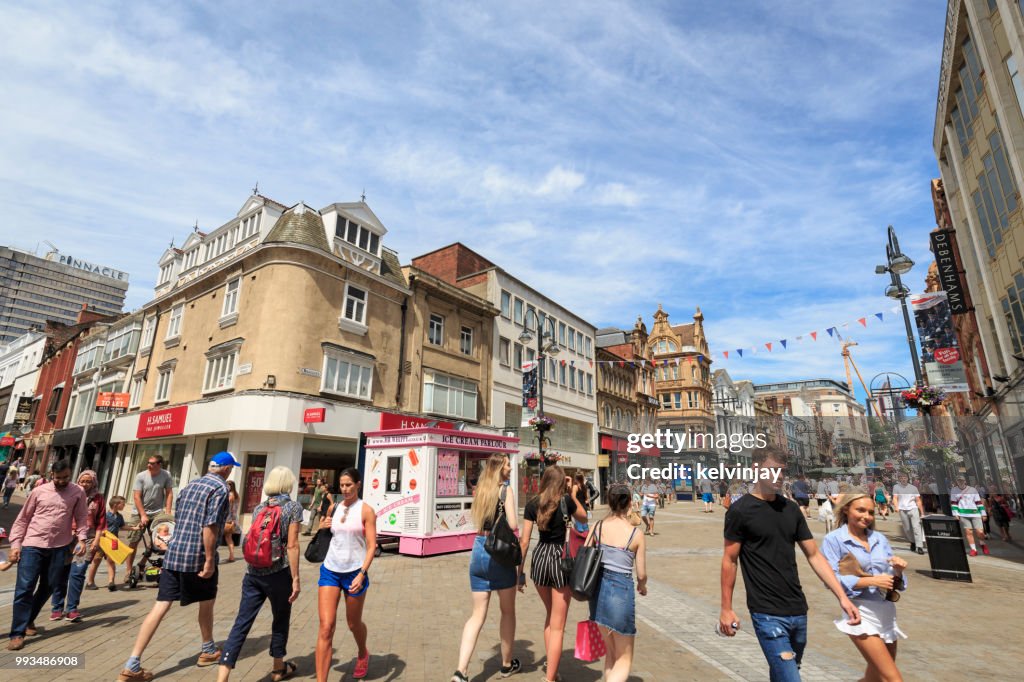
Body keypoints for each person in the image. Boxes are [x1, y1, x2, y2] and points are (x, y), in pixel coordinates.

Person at [719, 446, 860, 682]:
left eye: (782, 471)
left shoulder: (791, 509)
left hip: (797, 610)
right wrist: (726, 608)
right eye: (773, 470)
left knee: (784, 673)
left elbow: (814, 555)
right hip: (766, 612)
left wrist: (842, 597)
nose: (780, 476)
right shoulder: (740, 511)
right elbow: (729, 560)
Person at [118, 451, 238, 681]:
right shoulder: (220, 488)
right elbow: (210, 526)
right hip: (197, 555)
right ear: (226, 469)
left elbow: (179, 518)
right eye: (231, 468)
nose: (230, 472)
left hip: (174, 553)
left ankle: (132, 662)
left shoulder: (191, 485)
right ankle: (207, 649)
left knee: (161, 605)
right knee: (207, 601)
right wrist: (211, 559)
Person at [217, 466, 303, 682]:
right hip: (279, 573)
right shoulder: (293, 508)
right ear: (287, 484)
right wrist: (296, 578)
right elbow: (292, 546)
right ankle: (277, 669)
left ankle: (222, 676)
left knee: (242, 622)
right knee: (280, 619)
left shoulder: (259, 508)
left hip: (253, 573)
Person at [822, 492, 908, 682]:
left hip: (885, 611)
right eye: (860, 510)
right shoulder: (834, 539)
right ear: (846, 509)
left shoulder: (879, 538)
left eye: (870, 512)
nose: (866, 516)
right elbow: (830, 580)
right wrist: (871, 581)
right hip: (859, 611)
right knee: (893, 679)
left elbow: (893, 580)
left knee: (875, 677)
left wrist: (898, 571)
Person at [450, 454, 521, 682]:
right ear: (500, 468)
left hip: (479, 550)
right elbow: (513, 524)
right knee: (507, 611)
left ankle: (461, 671)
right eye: (508, 465)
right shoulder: (505, 490)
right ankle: (507, 664)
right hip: (499, 553)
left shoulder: (480, 490)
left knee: (476, 615)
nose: (510, 468)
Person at [6, 459, 88, 651]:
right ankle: (17, 633)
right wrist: (15, 545)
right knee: (24, 588)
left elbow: (82, 517)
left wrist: (82, 539)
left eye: (66, 477)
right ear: (52, 475)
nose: (62, 481)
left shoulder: (77, 492)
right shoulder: (39, 491)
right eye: (59, 478)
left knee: (49, 586)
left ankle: (28, 620)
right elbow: (23, 519)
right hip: (33, 545)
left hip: (60, 547)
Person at [519, 465, 588, 682]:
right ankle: (550, 679)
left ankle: (553, 671)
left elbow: (524, 541)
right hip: (561, 559)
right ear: (561, 482)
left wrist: (519, 573)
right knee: (558, 625)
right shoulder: (566, 502)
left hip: (540, 558)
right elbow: (584, 517)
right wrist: (572, 492)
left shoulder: (533, 504)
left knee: (550, 617)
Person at [317, 467, 377, 682]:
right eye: (342, 485)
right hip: (330, 570)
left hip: (354, 572)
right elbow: (326, 533)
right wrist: (322, 525)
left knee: (353, 623)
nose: (344, 489)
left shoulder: (366, 510)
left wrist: (362, 573)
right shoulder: (334, 507)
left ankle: (362, 652)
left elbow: (371, 546)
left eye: (349, 485)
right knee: (326, 627)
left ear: (358, 484)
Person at [585, 484, 647, 682]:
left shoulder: (597, 526)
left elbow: (584, 556)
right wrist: (642, 585)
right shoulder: (635, 534)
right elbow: (642, 573)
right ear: (629, 503)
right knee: (624, 657)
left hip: (597, 592)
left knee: (611, 653)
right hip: (620, 591)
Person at [51, 469, 106, 623]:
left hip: (88, 538)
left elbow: (101, 521)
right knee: (61, 571)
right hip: (67, 537)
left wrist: (97, 540)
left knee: (78, 572)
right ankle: (57, 607)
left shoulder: (98, 498)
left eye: (89, 481)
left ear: (93, 482)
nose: (85, 484)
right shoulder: (71, 493)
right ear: (78, 481)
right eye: (83, 481)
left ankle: (72, 609)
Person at [125, 454, 174, 577]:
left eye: (152, 463)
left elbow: (169, 493)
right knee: (133, 541)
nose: (149, 465)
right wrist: (142, 515)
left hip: (157, 512)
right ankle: (128, 571)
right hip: (139, 512)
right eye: (148, 463)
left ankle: (142, 563)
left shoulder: (166, 475)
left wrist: (168, 512)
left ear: (159, 464)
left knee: (159, 540)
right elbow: (136, 496)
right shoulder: (141, 476)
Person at [87, 495, 127, 591]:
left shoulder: (119, 516)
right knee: (96, 560)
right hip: (103, 541)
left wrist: (135, 528)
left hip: (114, 541)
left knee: (111, 561)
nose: (124, 506)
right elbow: (99, 527)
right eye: (123, 504)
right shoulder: (105, 515)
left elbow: (123, 527)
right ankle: (90, 582)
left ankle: (111, 582)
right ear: (116, 505)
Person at [951, 477, 988, 556]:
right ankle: (973, 549)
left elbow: (978, 502)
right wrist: (955, 514)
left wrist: (983, 513)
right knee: (968, 532)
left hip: (975, 513)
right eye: (959, 480)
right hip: (963, 513)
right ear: (957, 481)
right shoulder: (954, 490)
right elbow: (954, 503)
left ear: (965, 481)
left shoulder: (972, 490)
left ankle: (982, 543)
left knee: (980, 532)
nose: (960, 482)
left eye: (962, 480)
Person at [891, 473, 926, 555]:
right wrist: (896, 506)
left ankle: (919, 546)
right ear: (899, 479)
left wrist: (922, 512)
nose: (903, 479)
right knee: (907, 529)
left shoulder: (913, 488)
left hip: (913, 508)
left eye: (905, 477)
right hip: (902, 509)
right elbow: (895, 498)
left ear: (908, 478)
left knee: (916, 527)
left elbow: (918, 500)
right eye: (902, 477)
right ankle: (912, 542)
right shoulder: (896, 487)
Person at [224, 480, 239, 562]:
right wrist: (234, 520)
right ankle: (232, 555)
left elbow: (231, 509)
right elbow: (235, 510)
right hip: (231, 520)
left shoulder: (229, 496)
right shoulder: (237, 496)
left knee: (215, 537)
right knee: (229, 538)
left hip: (225, 519)